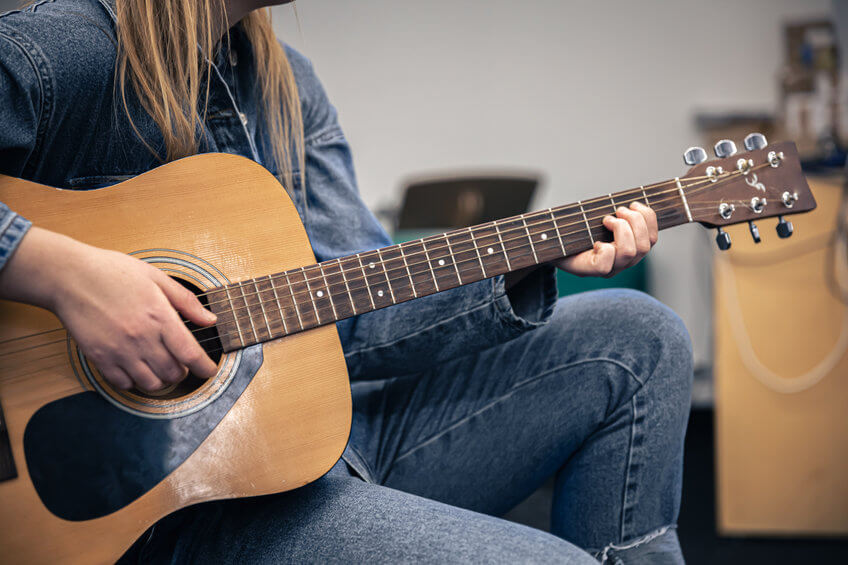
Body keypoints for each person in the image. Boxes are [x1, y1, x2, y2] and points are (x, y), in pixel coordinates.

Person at [0, 1, 692, 562]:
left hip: (315, 448)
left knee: (640, 336)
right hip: (177, 508)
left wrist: (529, 253)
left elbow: (356, 321)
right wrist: (64, 275)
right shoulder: (63, 50)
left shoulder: (287, 84)